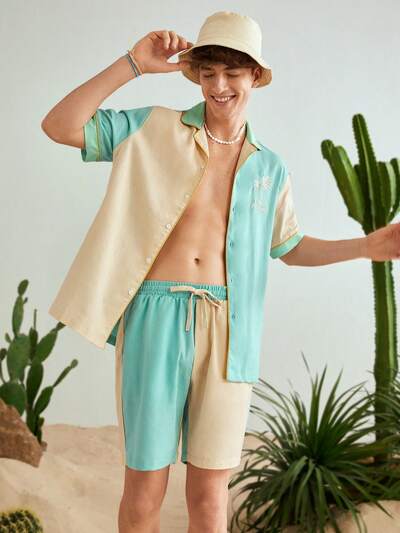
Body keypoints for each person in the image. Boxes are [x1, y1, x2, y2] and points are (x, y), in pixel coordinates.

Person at [41, 10, 400, 533]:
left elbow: (290, 247)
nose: (219, 86)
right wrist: (132, 65)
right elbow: (59, 126)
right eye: (208, 73)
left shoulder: (269, 166)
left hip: (231, 330)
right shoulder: (151, 127)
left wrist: (367, 246)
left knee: (210, 497)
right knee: (145, 485)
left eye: (232, 73)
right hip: (155, 315)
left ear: (255, 75)